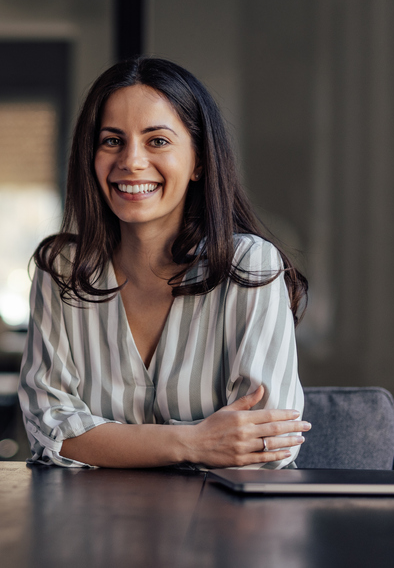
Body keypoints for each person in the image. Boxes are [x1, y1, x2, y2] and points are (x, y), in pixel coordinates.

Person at [18, 57, 309, 469]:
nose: (132, 161)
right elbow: (51, 431)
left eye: (157, 141)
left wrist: (104, 440)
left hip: (228, 525)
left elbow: (266, 446)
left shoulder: (251, 267)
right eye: (112, 140)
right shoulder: (63, 269)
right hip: (93, 524)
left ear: (200, 161)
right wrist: (191, 443)